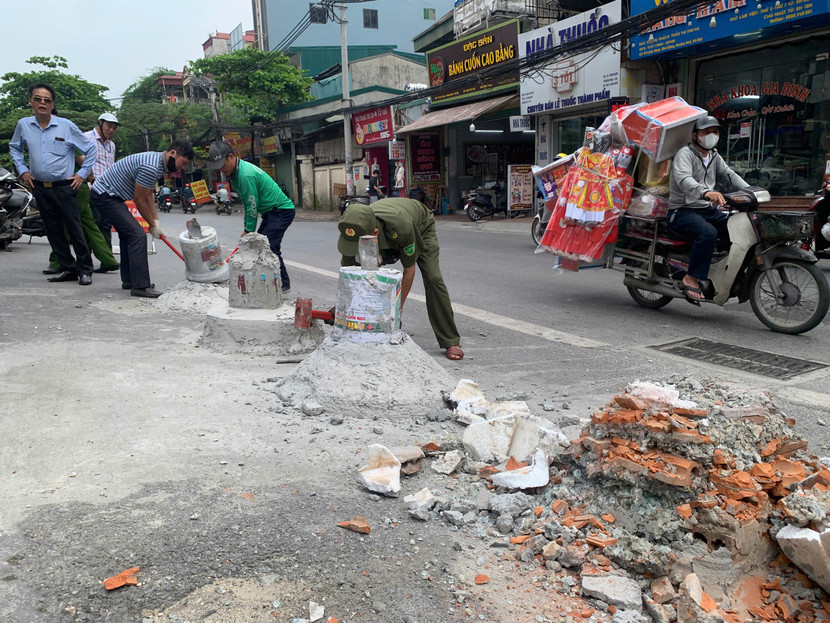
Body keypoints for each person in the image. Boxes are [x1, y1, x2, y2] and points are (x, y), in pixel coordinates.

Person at [337, 199, 464, 360]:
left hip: (419, 227)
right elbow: (349, 277)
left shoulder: (401, 227)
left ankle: (450, 340)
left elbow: (409, 271)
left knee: (433, 278)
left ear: (374, 233)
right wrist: (342, 312)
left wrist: (395, 313)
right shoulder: (354, 228)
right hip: (383, 233)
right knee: (368, 270)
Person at [9, 83, 97, 285]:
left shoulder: (65, 126)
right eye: (38, 99)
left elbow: (90, 149)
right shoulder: (23, 125)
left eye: (47, 100)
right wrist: (23, 170)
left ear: (52, 104)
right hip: (40, 187)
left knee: (74, 229)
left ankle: (85, 269)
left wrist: (82, 174)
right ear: (30, 101)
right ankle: (68, 268)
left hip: (65, 187)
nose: (42, 103)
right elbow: (15, 147)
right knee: (53, 230)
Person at [89, 139, 194, 298]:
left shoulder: (158, 163)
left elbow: (149, 194)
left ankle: (130, 280)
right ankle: (140, 286)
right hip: (105, 196)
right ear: (173, 153)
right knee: (137, 235)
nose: (182, 168)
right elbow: (139, 199)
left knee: (128, 234)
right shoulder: (151, 166)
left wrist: (155, 220)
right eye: (183, 162)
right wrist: (151, 225)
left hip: (111, 197)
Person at [668, 115, 749, 303]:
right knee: (708, 233)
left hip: (707, 210)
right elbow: (684, 179)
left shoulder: (714, 155)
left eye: (715, 132)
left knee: (738, 228)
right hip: (682, 211)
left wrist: (750, 191)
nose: (712, 136)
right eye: (706, 132)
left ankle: (723, 271)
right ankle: (692, 277)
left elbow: (729, 175)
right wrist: (706, 192)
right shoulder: (684, 154)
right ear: (695, 135)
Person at [207, 141, 296, 295]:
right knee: (257, 245)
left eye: (223, 164)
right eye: (218, 166)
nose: (222, 169)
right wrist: (248, 230)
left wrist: (248, 230)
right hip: (271, 212)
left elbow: (252, 204)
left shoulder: (245, 175)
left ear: (231, 157)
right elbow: (248, 204)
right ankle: (264, 280)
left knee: (268, 246)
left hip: (281, 211)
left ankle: (283, 284)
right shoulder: (236, 172)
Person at [42, 112, 121, 275]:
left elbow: (101, 164)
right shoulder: (85, 137)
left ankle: (96, 261)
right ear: (100, 123)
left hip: (97, 189)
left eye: (114, 127)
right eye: (109, 126)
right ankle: (101, 260)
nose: (111, 130)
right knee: (81, 225)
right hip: (81, 187)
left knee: (93, 225)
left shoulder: (110, 145)